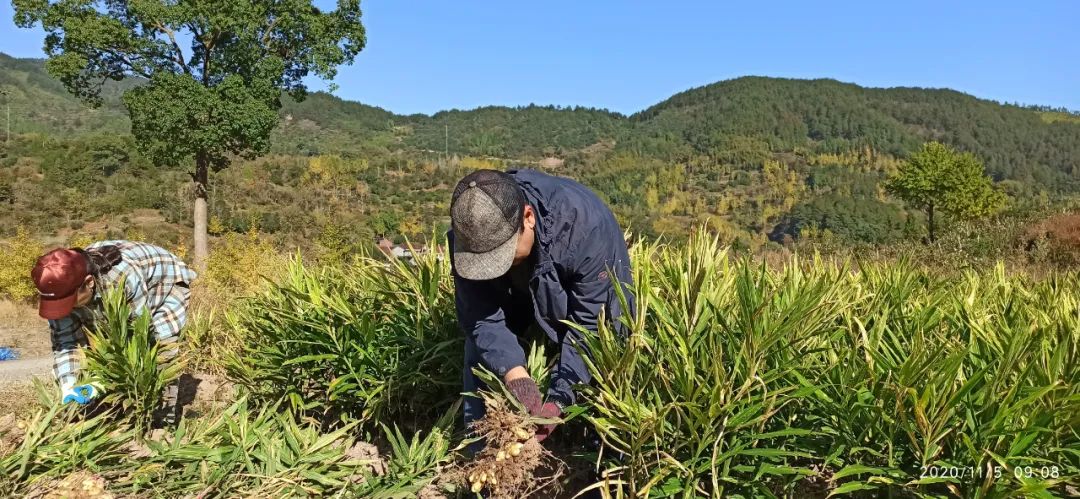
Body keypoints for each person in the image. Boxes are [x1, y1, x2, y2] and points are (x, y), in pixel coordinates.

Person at [448, 168, 634, 448]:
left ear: (528, 217)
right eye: (485, 262)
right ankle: (481, 455)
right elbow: (480, 315)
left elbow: (590, 326)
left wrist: (559, 399)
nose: (495, 268)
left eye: (503, 257)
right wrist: (515, 375)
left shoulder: (586, 229)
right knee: (481, 354)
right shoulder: (470, 232)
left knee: (608, 355)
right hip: (519, 288)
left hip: (582, 283)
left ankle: (601, 453)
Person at [31, 240, 196, 422]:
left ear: (89, 282)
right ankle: (121, 410)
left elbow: (138, 333)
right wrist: (69, 385)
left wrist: (105, 377)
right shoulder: (59, 288)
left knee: (159, 351)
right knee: (102, 348)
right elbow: (66, 343)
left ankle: (163, 421)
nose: (66, 309)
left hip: (164, 286)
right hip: (108, 289)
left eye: (69, 301)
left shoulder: (123, 278)